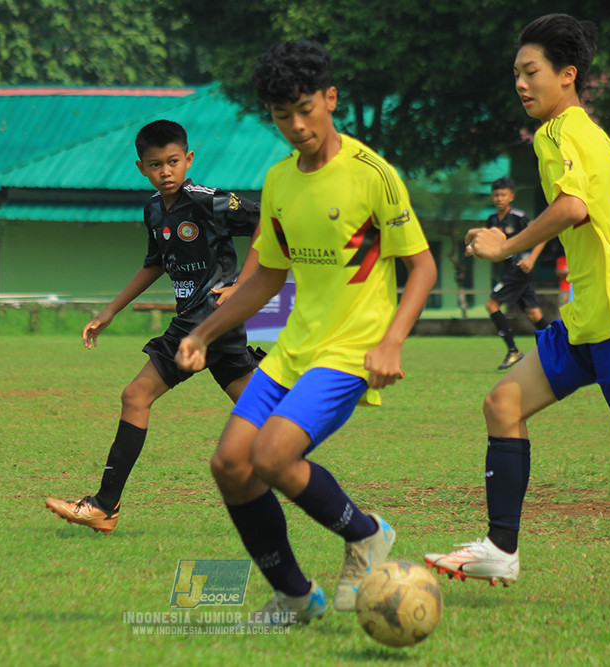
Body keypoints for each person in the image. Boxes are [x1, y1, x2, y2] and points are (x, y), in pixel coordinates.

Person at [424, 13, 610, 587]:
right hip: (589, 320)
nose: (521, 85)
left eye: (531, 72)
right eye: (516, 75)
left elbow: (573, 208)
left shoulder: (557, 134)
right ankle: (501, 550)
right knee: (503, 404)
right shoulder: (600, 139)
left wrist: (507, 243)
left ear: (567, 75)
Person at [175, 40, 437, 626]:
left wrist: (391, 341)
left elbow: (422, 268)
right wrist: (205, 331)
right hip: (295, 350)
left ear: (330, 98)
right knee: (230, 466)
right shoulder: (279, 182)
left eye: (304, 108)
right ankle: (295, 597)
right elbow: (266, 275)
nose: (296, 126)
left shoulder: (374, 175)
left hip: (350, 351)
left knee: (271, 454)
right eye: (280, 115)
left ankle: (367, 535)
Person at [45, 120, 264, 535]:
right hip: (215, 328)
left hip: (202, 321)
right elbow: (156, 263)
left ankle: (104, 506)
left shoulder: (209, 201)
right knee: (268, 414)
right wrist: (111, 311)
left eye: (174, 162)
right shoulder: (152, 209)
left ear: (189, 160)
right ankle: (318, 480)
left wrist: (242, 284)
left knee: (136, 395)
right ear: (141, 167)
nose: (166, 171)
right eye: (155, 164)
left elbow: (268, 223)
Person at [483, 177, 549, 370]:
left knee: (491, 304)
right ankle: (560, 349)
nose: (499, 198)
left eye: (503, 194)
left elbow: (542, 235)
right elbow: (489, 242)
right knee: (533, 313)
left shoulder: (519, 217)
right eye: (496, 195)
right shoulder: (492, 220)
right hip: (509, 269)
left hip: (519, 269)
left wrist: (531, 259)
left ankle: (513, 351)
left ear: (511, 196)